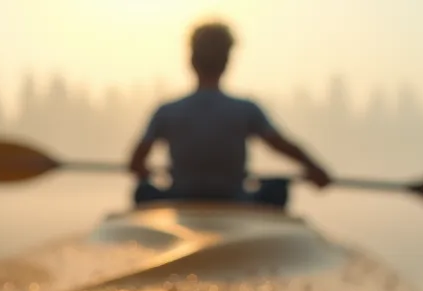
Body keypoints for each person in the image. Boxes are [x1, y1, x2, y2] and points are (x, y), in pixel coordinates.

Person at [128, 21, 332, 205]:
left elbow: (135, 164)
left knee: (143, 191)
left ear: (191, 61)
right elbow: (281, 145)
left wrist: (148, 172)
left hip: (179, 198)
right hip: (236, 201)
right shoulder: (245, 109)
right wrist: (316, 169)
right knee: (276, 190)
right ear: (226, 62)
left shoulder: (167, 111)